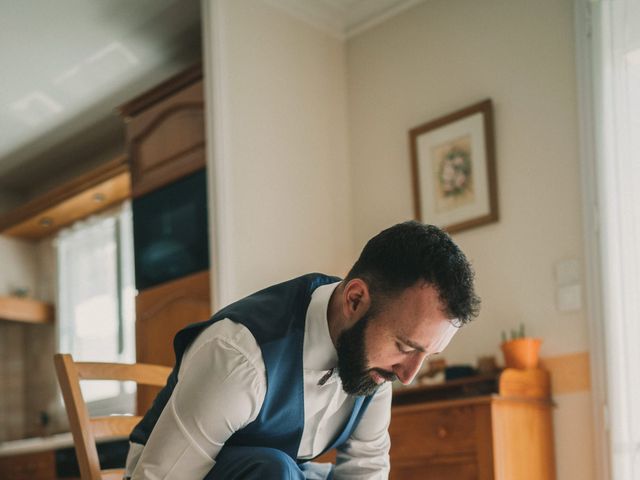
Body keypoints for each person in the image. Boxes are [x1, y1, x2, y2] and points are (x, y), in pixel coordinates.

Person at [124, 221, 480, 479]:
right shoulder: (239, 354)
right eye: (404, 346)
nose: (408, 374)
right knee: (275, 471)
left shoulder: (377, 367)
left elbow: (365, 469)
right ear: (355, 300)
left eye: (425, 356)